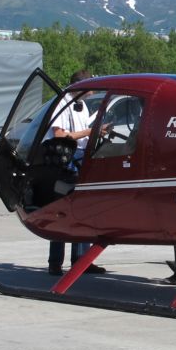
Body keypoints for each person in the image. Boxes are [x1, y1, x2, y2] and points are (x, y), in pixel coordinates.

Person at [48, 70, 107, 277]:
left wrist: (97, 133)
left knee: (84, 211)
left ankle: (81, 261)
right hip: (65, 161)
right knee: (62, 210)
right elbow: (59, 134)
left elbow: (82, 134)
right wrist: (91, 132)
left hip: (82, 158)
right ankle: (55, 262)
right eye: (91, 88)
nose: (93, 93)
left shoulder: (82, 105)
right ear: (81, 87)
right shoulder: (62, 103)